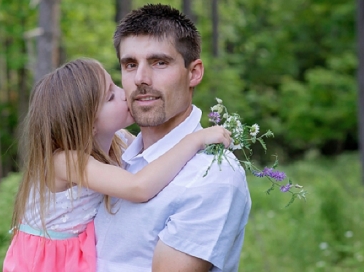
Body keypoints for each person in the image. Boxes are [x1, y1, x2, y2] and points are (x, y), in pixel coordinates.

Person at [2, 58, 232, 272]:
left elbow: (158, 157)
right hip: (48, 260)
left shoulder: (118, 139)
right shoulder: (65, 161)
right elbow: (138, 187)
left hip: (79, 250)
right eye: (110, 97)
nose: (124, 94)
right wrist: (193, 140)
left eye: (115, 86)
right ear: (89, 124)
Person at [94, 4, 252, 272]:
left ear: (194, 73)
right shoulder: (113, 154)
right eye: (130, 64)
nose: (141, 78)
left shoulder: (212, 176)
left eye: (159, 62)